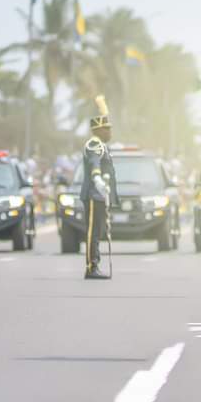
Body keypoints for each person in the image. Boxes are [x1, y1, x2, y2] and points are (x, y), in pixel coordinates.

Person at [81, 96, 116, 280]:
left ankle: (95, 262)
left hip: (101, 195)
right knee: (92, 232)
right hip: (94, 194)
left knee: (98, 232)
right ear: (99, 130)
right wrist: (97, 179)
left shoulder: (102, 144)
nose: (110, 132)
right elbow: (95, 162)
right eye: (107, 129)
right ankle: (91, 266)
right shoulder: (94, 144)